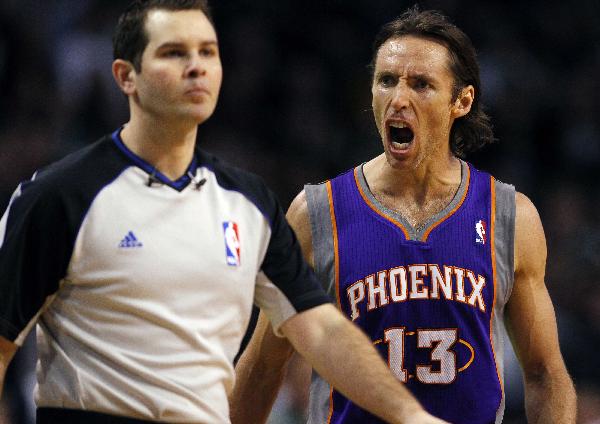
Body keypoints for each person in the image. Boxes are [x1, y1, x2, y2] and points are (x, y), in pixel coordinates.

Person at [0, 1, 450, 423]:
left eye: (207, 52)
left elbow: (323, 332)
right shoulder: (59, 197)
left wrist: (411, 415)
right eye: (174, 53)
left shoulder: (248, 201)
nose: (196, 66)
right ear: (126, 76)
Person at [231, 7, 577, 424]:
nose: (398, 98)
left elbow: (544, 372)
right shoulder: (316, 214)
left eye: (421, 84)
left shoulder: (510, 215)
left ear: (461, 101)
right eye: (386, 81)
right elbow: (263, 367)